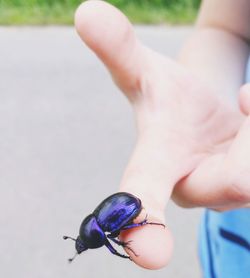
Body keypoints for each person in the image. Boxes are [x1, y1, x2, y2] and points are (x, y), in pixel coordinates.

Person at [74, 0, 250, 276]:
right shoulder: (101, 226)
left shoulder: (104, 228)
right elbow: (225, 27)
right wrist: (207, 94)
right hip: (232, 248)